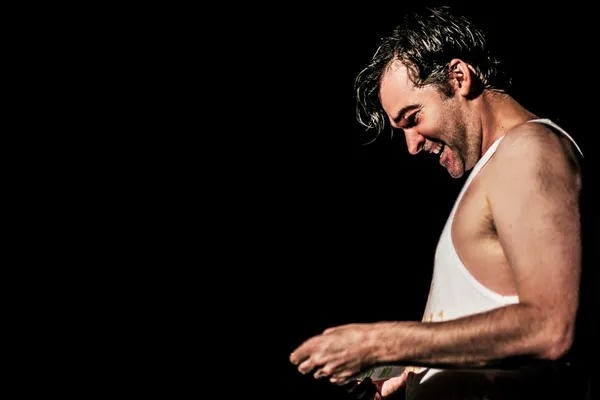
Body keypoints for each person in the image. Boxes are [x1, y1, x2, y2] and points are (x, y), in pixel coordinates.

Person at [289, 6, 594, 400]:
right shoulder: (500, 166)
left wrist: (382, 343)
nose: (412, 145)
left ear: (458, 77)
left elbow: (549, 329)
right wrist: (415, 373)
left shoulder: (528, 151)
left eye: (413, 117)